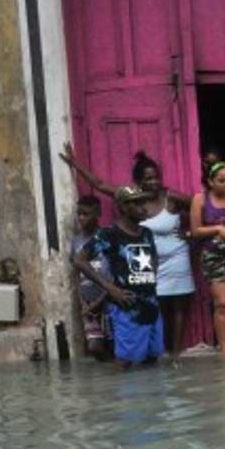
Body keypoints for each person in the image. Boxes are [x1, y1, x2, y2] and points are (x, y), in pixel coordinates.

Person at [58, 145, 195, 355]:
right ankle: (138, 355)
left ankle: (173, 354)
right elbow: (99, 184)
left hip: (171, 263)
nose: (154, 182)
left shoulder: (168, 200)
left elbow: (198, 205)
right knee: (144, 317)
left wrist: (192, 232)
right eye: (148, 178)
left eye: (156, 177)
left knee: (172, 311)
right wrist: (75, 163)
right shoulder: (124, 210)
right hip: (139, 273)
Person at [72, 186, 164, 369]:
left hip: (151, 304)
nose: (143, 207)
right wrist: (111, 288)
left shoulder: (146, 233)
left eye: (143, 202)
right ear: (122, 207)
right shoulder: (109, 234)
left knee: (152, 357)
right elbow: (79, 260)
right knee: (126, 362)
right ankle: (119, 388)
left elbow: (153, 259)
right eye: (137, 203)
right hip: (127, 307)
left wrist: (150, 283)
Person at [190, 161, 225, 359]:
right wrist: (218, 229)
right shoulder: (200, 199)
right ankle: (224, 348)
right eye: (221, 180)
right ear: (210, 181)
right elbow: (195, 230)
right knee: (222, 302)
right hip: (213, 256)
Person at [69, 195, 110, 360]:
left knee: (114, 344)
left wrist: (100, 300)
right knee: (94, 347)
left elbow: (114, 274)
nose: (81, 218)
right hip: (88, 304)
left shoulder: (107, 237)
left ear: (97, 213)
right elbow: (76, 273)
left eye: (85, 214)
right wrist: (82, 300)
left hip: (108, 300)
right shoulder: (76, 241)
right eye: (79, 214)